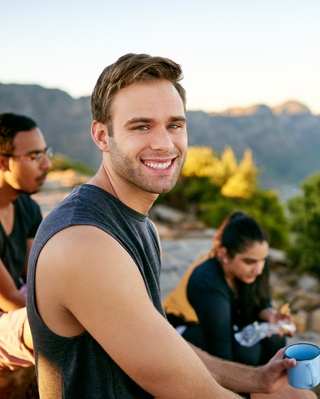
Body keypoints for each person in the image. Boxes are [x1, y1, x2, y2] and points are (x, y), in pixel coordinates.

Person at [26, 54, 315, 399]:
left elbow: (165, 346)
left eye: (174, 125)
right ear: (102, 135)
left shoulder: (140, 225)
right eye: (141, 126)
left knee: (290, 393)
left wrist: (256, 380)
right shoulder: (84, 243)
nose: (164, 143)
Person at [163, 211, 293, 368]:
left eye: (263, 260)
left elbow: (261, 303)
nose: (259, 270)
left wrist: (272, 316)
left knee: (275, 339)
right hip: (186, 327)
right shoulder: (207, 282)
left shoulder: (255, 264)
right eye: (250, 262)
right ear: (224, 253)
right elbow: (221, 354)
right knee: (246, 353)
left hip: (228, 324)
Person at [0, 112, 52, 370]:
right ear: (2, 162)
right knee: (55, 326)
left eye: (45, 153)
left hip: (16, 306)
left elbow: (34, 277)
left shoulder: (27, 207)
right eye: (34, 157)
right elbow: (8, 297)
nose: (47, 165)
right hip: (6, 316)